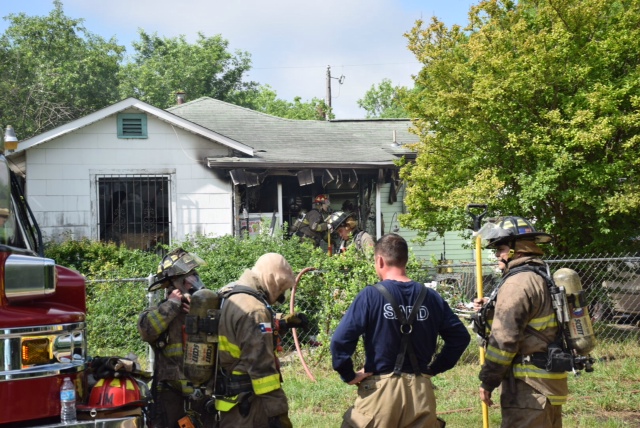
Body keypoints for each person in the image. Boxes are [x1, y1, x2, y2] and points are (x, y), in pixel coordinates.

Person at [330, 233, 470, 427]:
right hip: (420, 393)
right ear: (405, 260)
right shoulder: (431, 297)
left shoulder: (370, 296)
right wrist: (434, 368)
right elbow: (460, 337)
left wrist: (349, 375)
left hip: (380, 392)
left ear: (379, 260)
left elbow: (340, 340)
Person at [474, 216, 568, 427]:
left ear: (517, 249)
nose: (497, 254)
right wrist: (492, 307)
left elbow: (504, 339)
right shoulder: (540, 275)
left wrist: (488, 380)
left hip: (529, 390)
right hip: (550, 387)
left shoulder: (517, 283)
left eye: (500, 248)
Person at [215, 253, 306, 428]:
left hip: (230, 403)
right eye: (281, 290)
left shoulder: (231, 293)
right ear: (274, 282)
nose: (280, 297)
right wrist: (278, 413)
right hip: (250, 407)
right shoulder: (255, 311)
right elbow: (262, 370)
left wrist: (283, 321)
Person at [138, 248, 215, 428]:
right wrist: (172, 305)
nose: (193, 284)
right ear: (173, 284)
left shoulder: (206, 310)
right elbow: (146, 330)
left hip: (203, 393)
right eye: (188, 280)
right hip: (170, 397)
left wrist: (202, 317)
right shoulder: (160, 312)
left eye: (195, 278)